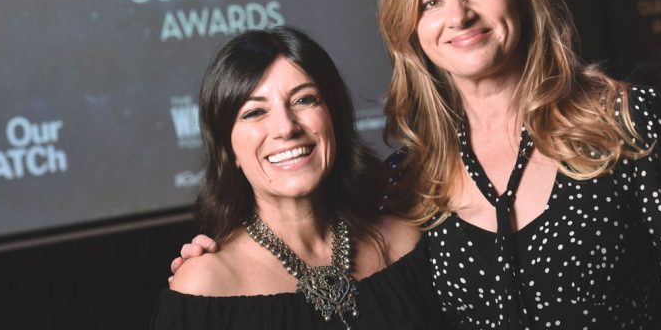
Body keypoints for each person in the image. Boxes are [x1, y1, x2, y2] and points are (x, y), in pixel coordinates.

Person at [171, 0, 661, 329]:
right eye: (431, 1)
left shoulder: (627, 123)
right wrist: (218, 273)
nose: (458, 16)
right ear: (411, 28)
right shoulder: (413, 182)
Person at [152, 27, 449, 329]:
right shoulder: (204, 287)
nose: (286, 128)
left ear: (334, 117)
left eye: (304, 100)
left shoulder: (404, 243)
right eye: (254, 112)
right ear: (228, 150)